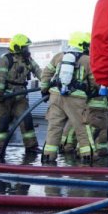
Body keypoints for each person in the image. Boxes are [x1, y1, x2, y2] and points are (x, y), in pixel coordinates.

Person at [39, 32, 96, 165]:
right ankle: (87, 158)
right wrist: (93, 91)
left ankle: (48, 157)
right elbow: (94, 82)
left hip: (56, 96)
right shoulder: (87, 60)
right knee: (82, 127)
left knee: (54, 128)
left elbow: (46, 73)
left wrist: (44, 90)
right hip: (76, 99)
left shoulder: (58, 57)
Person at [0, 34, 42, 156]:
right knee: (3, 123)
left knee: (26, 121)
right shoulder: (5, 59)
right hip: (5, 97)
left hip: (20, 97)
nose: (27, 50)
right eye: (25, 47)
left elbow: (38, 71)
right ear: (17, 47)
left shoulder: (27, 60)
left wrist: (48, 82)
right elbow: (0, 78)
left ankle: (31, 146)